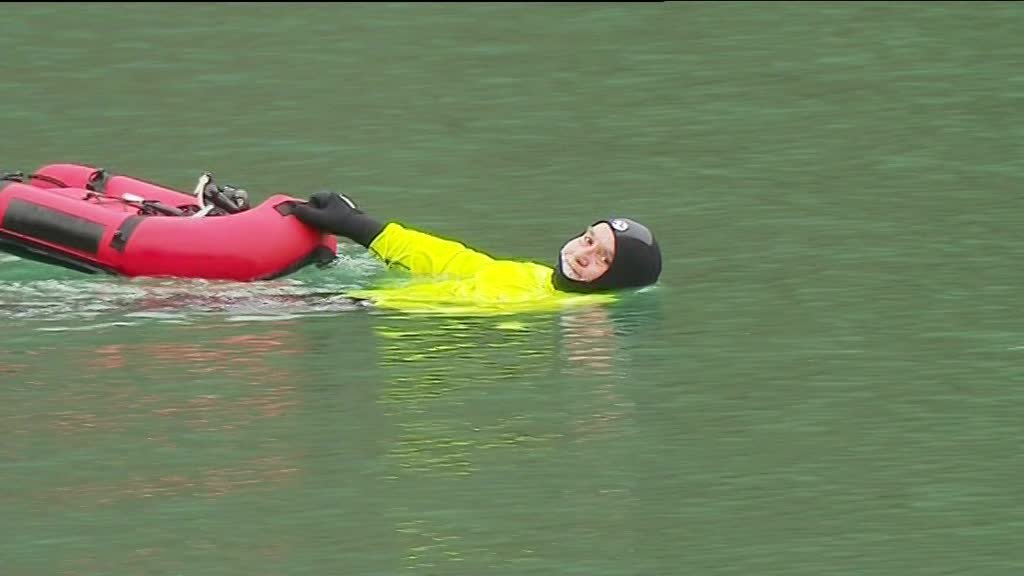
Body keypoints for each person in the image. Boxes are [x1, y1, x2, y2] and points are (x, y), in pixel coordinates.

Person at [289, 190, 662, 314]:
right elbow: (455, 261)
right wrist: (359, 225)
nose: (585, 253)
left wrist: (336, 300)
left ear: (619, 281)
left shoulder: (560, 308)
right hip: (357, 302)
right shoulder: (537, 278)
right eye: (588, 239)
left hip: (359, 308)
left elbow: (451, 300)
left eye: (605, 259)